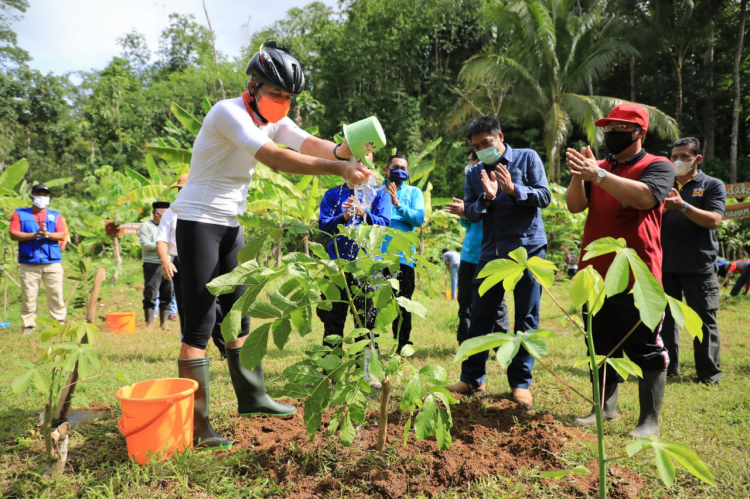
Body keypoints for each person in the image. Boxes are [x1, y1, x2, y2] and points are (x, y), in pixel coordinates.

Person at [170, 41, 371, 449]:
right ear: (254, 86)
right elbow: (276, 158)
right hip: (198, 222)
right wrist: (340, 168)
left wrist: (342, 150)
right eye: (276, 94)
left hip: (230, 225)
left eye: (288, 97)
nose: (283, 103)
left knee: (238, 315)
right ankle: (197, 423)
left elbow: (306, 142)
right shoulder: (228, 112)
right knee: (199, 324)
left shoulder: (269, 118)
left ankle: (253, 397)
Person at [565, 102, 674, 437]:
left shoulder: (658, 165)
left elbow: (644, 198)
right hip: (595, 275)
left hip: (638, 275)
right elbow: (575, 205)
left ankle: (649, 420)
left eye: (620, 129)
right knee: (600, 344)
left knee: (645, 346)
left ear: (639, 131)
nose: (612, 135)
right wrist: (578, 176)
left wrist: (597, 174)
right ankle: (603, 408)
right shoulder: (595, 167)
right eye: (608, 130)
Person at [445, 116, 550, 410]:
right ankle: (472, 378)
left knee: (526, 317)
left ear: (500, 137)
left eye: (486, 143)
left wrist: (514, 190)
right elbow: (472, 211)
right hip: (491, 253)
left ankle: (520, 384)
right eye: (476, 146)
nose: (481, 149)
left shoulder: (527, 158)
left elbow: (544, 196)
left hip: (527, 251)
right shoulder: (474, 172)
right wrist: (487, 201)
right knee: (480, 315)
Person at [317, 153, 391, 388]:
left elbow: (385, 224)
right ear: (346, 165)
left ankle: (369, 374)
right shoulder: (332, 195)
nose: (361, 166)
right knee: (332, 322)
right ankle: (331, 373)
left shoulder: (380, 194)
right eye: (355, 161)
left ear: (373, 167)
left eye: (366, 162)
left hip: (367, 268)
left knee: (367, 323)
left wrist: (364, 213)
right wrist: (345, 215)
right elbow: (324, 227)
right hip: (337, 268)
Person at [661, 137, 725, 384]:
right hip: (665, 264)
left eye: (684, 157)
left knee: (704, 320)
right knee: (665, 319)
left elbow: (714, 220)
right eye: (674, 156)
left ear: (697, 159)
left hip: (699, 265)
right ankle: (668, 368)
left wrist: (683, 206)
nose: (678, 161)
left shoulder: (711, 185)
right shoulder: (665, 184)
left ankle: (709, 375)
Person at [157, 174, 226, 359]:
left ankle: (225, 349)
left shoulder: (207, 210)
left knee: (215, 307)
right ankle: (192, 353)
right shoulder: (171, 212)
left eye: (184, 189)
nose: (181, 192)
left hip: (208, 261)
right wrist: (165, 261)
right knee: (186, 308)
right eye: (179, 189)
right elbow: (161, 240)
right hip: (181, 262)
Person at [445, 150, 509, 345]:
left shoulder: (500, 183)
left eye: (471, 160)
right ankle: (466, 343)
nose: (469, 165)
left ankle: (501, 347)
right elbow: (469, 223)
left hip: (492, 254)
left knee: (496, 304)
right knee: (465, 302)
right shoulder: (471, 186)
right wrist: (465, 214)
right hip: (469, 254)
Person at [380, 155, 425, 353]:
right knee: (373, 305)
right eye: (395, 167)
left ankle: (402, 345)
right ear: (386, 170)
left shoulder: (414, 192)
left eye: (404, 168)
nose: (400, 171)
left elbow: (418, 219)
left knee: (403, 305)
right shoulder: (374, 190)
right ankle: (370, 346)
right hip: (377, 258)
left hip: (404, 259)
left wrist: (397, 204)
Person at [9, 184, 67, 335]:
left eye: (45, 194)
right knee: (28, 295)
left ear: (49, 197)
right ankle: (28, 325)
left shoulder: (55, 215)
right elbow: (13, 234)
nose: (42, 197)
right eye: (39, 194)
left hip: (52, 261)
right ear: (31, 196)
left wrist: (47, 235)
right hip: (29, 262)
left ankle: (59, 322)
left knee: (56, 294)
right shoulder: (20, 214)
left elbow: (62, 235)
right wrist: (35, 235)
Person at [139, 201, 173, 329]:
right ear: (157, 214)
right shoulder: (146, 226)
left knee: (167, 294)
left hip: (168, 264)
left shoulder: (169, 226)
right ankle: (149, 324)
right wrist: (162, 245)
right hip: (152, 265)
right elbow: (145, 245)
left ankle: (164, 323)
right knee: (150, 294)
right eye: (166, 213)